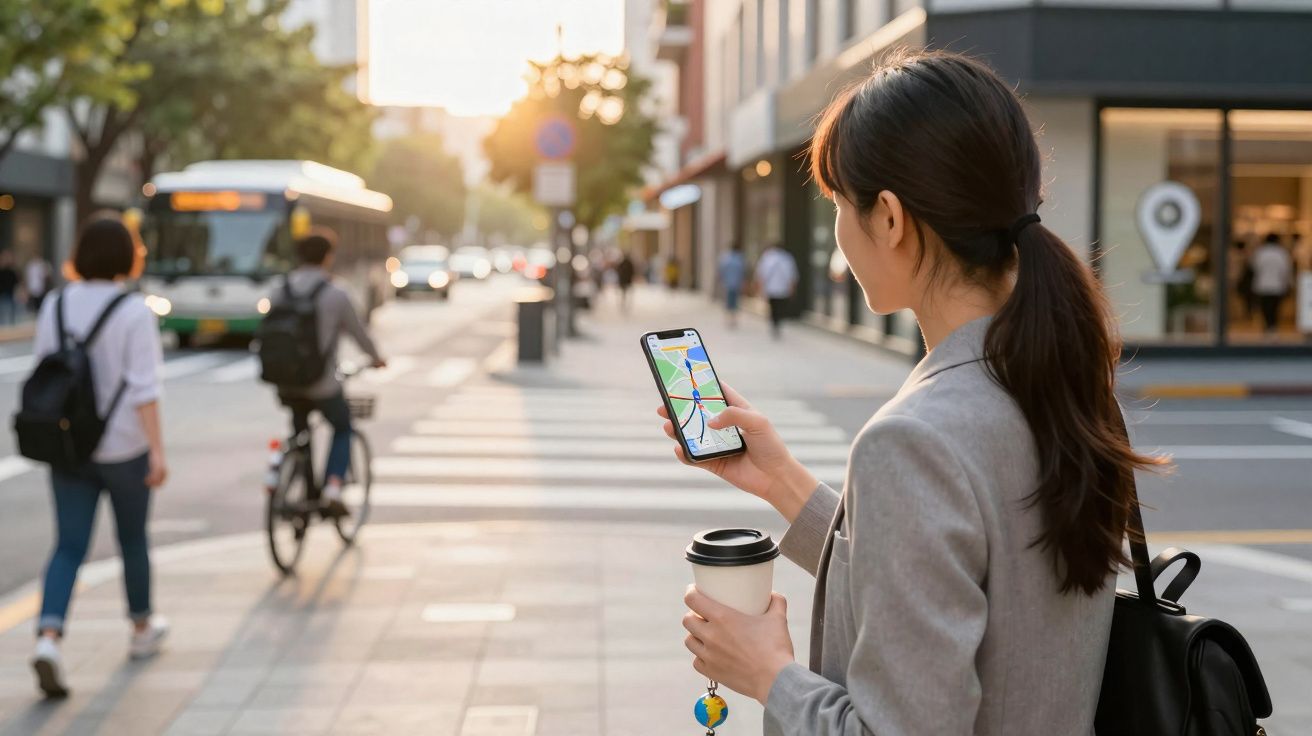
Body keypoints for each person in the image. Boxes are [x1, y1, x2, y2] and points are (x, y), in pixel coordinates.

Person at [659, 50, 1163, 734]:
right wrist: (781, 481)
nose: (839, 232)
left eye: (839, 205)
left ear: (890, 219)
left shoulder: (917, 436)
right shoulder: (1056, 379)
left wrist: (768, 673)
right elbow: (960, 582)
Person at [30, 216, 169, 698]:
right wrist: (157, 452)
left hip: (69, 446)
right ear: (127, 256)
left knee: (68, 546)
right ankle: (140, 629)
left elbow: (44, 371)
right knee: (132, 539)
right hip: (124, 447)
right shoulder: (134, 312)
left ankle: (49, 638)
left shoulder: (56, 303)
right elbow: (144, 390)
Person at [273, 228, 386, 517]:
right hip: (321, 384)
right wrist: (376, 358)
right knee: (342, 425)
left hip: (284, 383)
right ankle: (333, 487)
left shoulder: (280, 288)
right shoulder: (335, 293)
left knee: (300, 431)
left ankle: (300, 479)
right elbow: (360, 334)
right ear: (328, 257)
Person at [754, 242, 798, 339]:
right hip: (783, 288)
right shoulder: (787, 258)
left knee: (773, 307)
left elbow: (761, 273)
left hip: (771, 288)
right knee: (780, 306)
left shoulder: (767, 257)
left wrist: (760, 287)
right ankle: (777, 323)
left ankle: (774, 323)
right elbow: (792, 275)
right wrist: (792, 288)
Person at [1251, 233, 1293, 334]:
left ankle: (1268, 325)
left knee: (1265, 306)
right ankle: (1273, 326)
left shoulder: (1260, 252)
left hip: (1263, 284)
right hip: (1277, 284)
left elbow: (1254, 267)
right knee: (1275, 306)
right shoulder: (1281, 253)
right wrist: (1289, 283)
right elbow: (1286, 270)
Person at [718, 242, 747, 328]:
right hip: (737, 283)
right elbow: (743, 272)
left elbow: (721, 271)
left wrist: (721, 280)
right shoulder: (740, 259)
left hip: (728, 283)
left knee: (728, 301)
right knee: (735, 302)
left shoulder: (725, 258)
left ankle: (728, 319)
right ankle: (733, 320)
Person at [0, 251, 19, 325]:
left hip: (8, 294)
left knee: (7, 313)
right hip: (5, 295)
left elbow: (16, 282)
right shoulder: (9, 271)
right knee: (7, 313)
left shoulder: (11, 272)